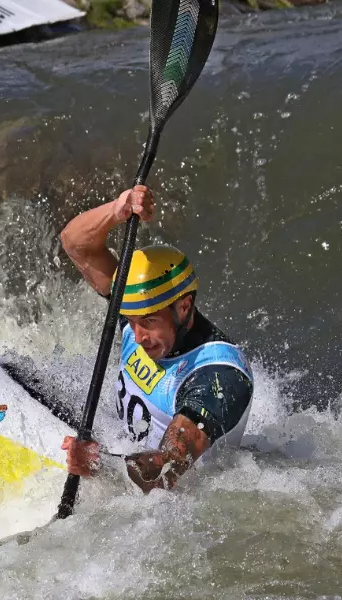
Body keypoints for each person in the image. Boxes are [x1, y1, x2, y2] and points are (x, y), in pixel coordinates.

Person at [59, 185, 254, 493]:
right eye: (132, 322)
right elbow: (75, 244)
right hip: (122, 455)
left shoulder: (217, 376)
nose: (137, 336)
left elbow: (165, 470)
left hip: (175, 506)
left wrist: (97, 464)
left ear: (184, 307)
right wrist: (117, 209)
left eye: (148, 322)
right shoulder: (140, 308)